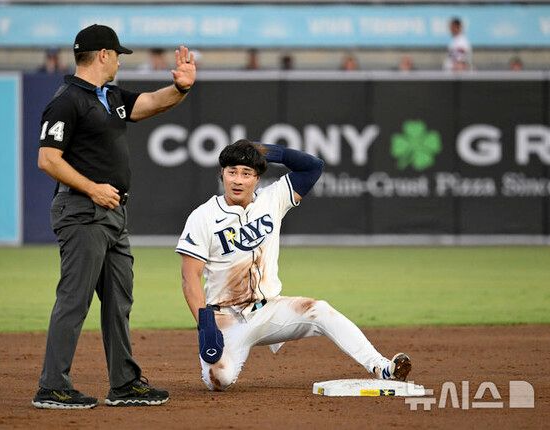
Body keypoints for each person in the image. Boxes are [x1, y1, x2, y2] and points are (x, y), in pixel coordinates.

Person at [32, 24, 196, 409]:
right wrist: (92, 188)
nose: (120, 61)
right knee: (75, 298)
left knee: (119, 300)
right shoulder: (67, 100)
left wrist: (181, 88)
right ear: (103, 55)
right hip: (82, 211)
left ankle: (123, 383)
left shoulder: (110, 96)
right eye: (117, 55)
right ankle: (52, 386)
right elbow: (47, 159)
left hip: (113, 213)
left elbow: (151, 103)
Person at [175, 140, 412, 391]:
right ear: (221, 173)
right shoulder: (203, 217)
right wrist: (206, 326)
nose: (238, 180)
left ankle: (382, 367)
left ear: (257, 178)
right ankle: (222, 360)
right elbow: (190, 277)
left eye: (246, 173)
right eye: (232, 172)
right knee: (219, 380)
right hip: (225, 318)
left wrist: (269, 152)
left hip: (269, 310)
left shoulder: (272, 199)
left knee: (319, 310)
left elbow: (313, 167)